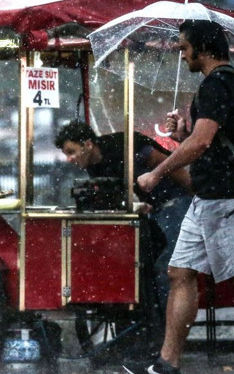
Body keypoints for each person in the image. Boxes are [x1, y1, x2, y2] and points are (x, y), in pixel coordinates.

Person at [124, 19, 234, 374]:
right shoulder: (228, 84)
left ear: (202, 48)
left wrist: (157, 173)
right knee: (180, 272)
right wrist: (183, 133)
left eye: (184, 48)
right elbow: (210, 140)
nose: (182, 55)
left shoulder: (218, 84)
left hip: (224, 199)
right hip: (210, 197)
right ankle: (167, 365)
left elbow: (201, 144)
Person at [55, 121, 192, 314]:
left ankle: (163, 325)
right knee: (145, 267)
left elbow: (171, 166)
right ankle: (152, 319)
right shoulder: (94, 165)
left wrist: (197, 194)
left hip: (176, 202)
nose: (69, 159)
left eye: (71, 152)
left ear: (88, 144)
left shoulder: (124, 146)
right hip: (155, 208)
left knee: (166, 269)